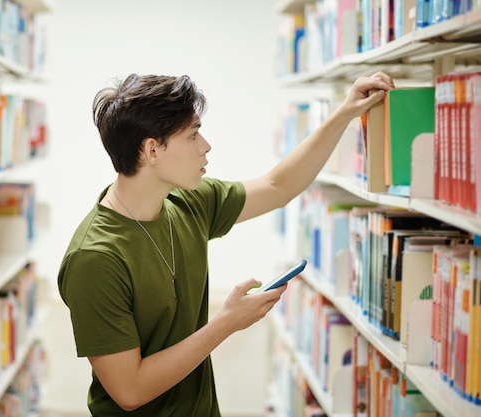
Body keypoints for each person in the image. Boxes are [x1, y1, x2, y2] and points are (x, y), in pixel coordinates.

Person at [57, 71, 394, 416]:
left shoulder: (186, 202)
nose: (205, 146)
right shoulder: (95, 259)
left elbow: (278, 187)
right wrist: (227, 322)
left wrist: (344, 113)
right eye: (193, 135)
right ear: (152, 149)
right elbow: (130, 390)